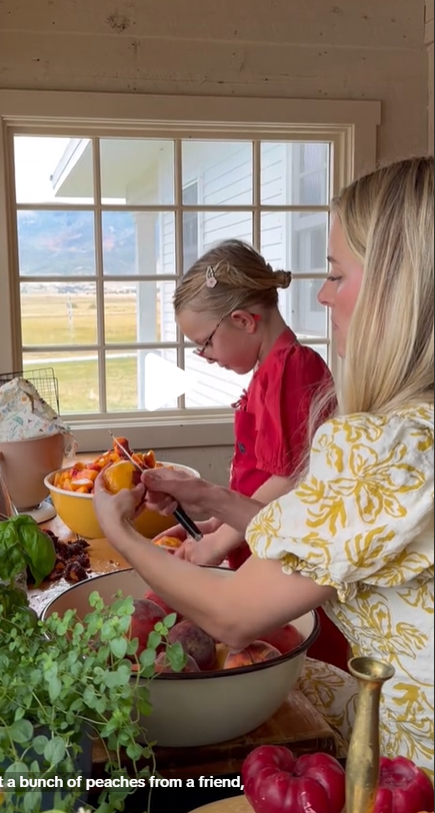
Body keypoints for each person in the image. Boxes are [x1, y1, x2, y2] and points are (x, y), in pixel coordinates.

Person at [93, 156, 435, 775]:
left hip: (407, 760)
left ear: (398, 284)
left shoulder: (383, 441)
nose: (323, 295)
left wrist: (115, 530)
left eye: (336, 274)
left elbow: (234, 616)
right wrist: (214, 500)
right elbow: (332, 525)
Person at [165, 239, 348, 669]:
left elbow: (288, 482)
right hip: (262, 552)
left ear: (244, 320)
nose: (204, 357)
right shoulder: (271, 370)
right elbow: (261, 476)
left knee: (299, 674)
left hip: (287, 571)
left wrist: (216, 543)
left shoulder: (291, 368)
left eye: (205, 342)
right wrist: (218, 521)